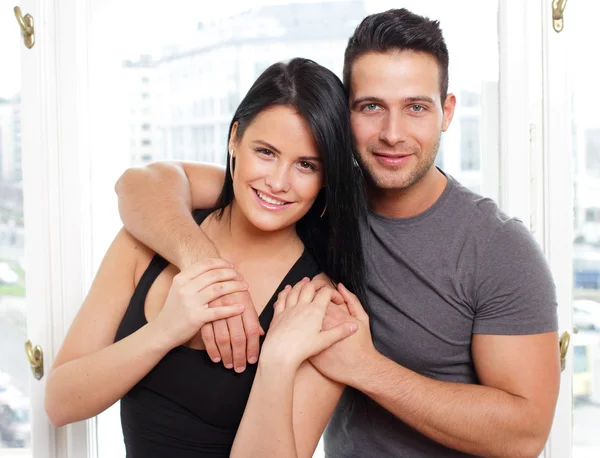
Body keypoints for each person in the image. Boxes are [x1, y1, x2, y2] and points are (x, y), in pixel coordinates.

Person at [115, 8, 561, 458]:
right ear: (343, 117)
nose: (392, 133)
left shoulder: (498, 248)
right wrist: (207, 269)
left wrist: (368, 369)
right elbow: (143, 185)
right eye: (371, 107)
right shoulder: (307, 194)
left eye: (416, 108)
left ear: (446, 113)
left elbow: (524, 435)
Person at [45, 58, 370, 458]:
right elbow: (60, 404)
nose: (278, 182)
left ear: (325, 178)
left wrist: (278, 363)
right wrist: (166, 330)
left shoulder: (320, 306)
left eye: (306, 165)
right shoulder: (149, 240)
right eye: (266, 152)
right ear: (235, 139)